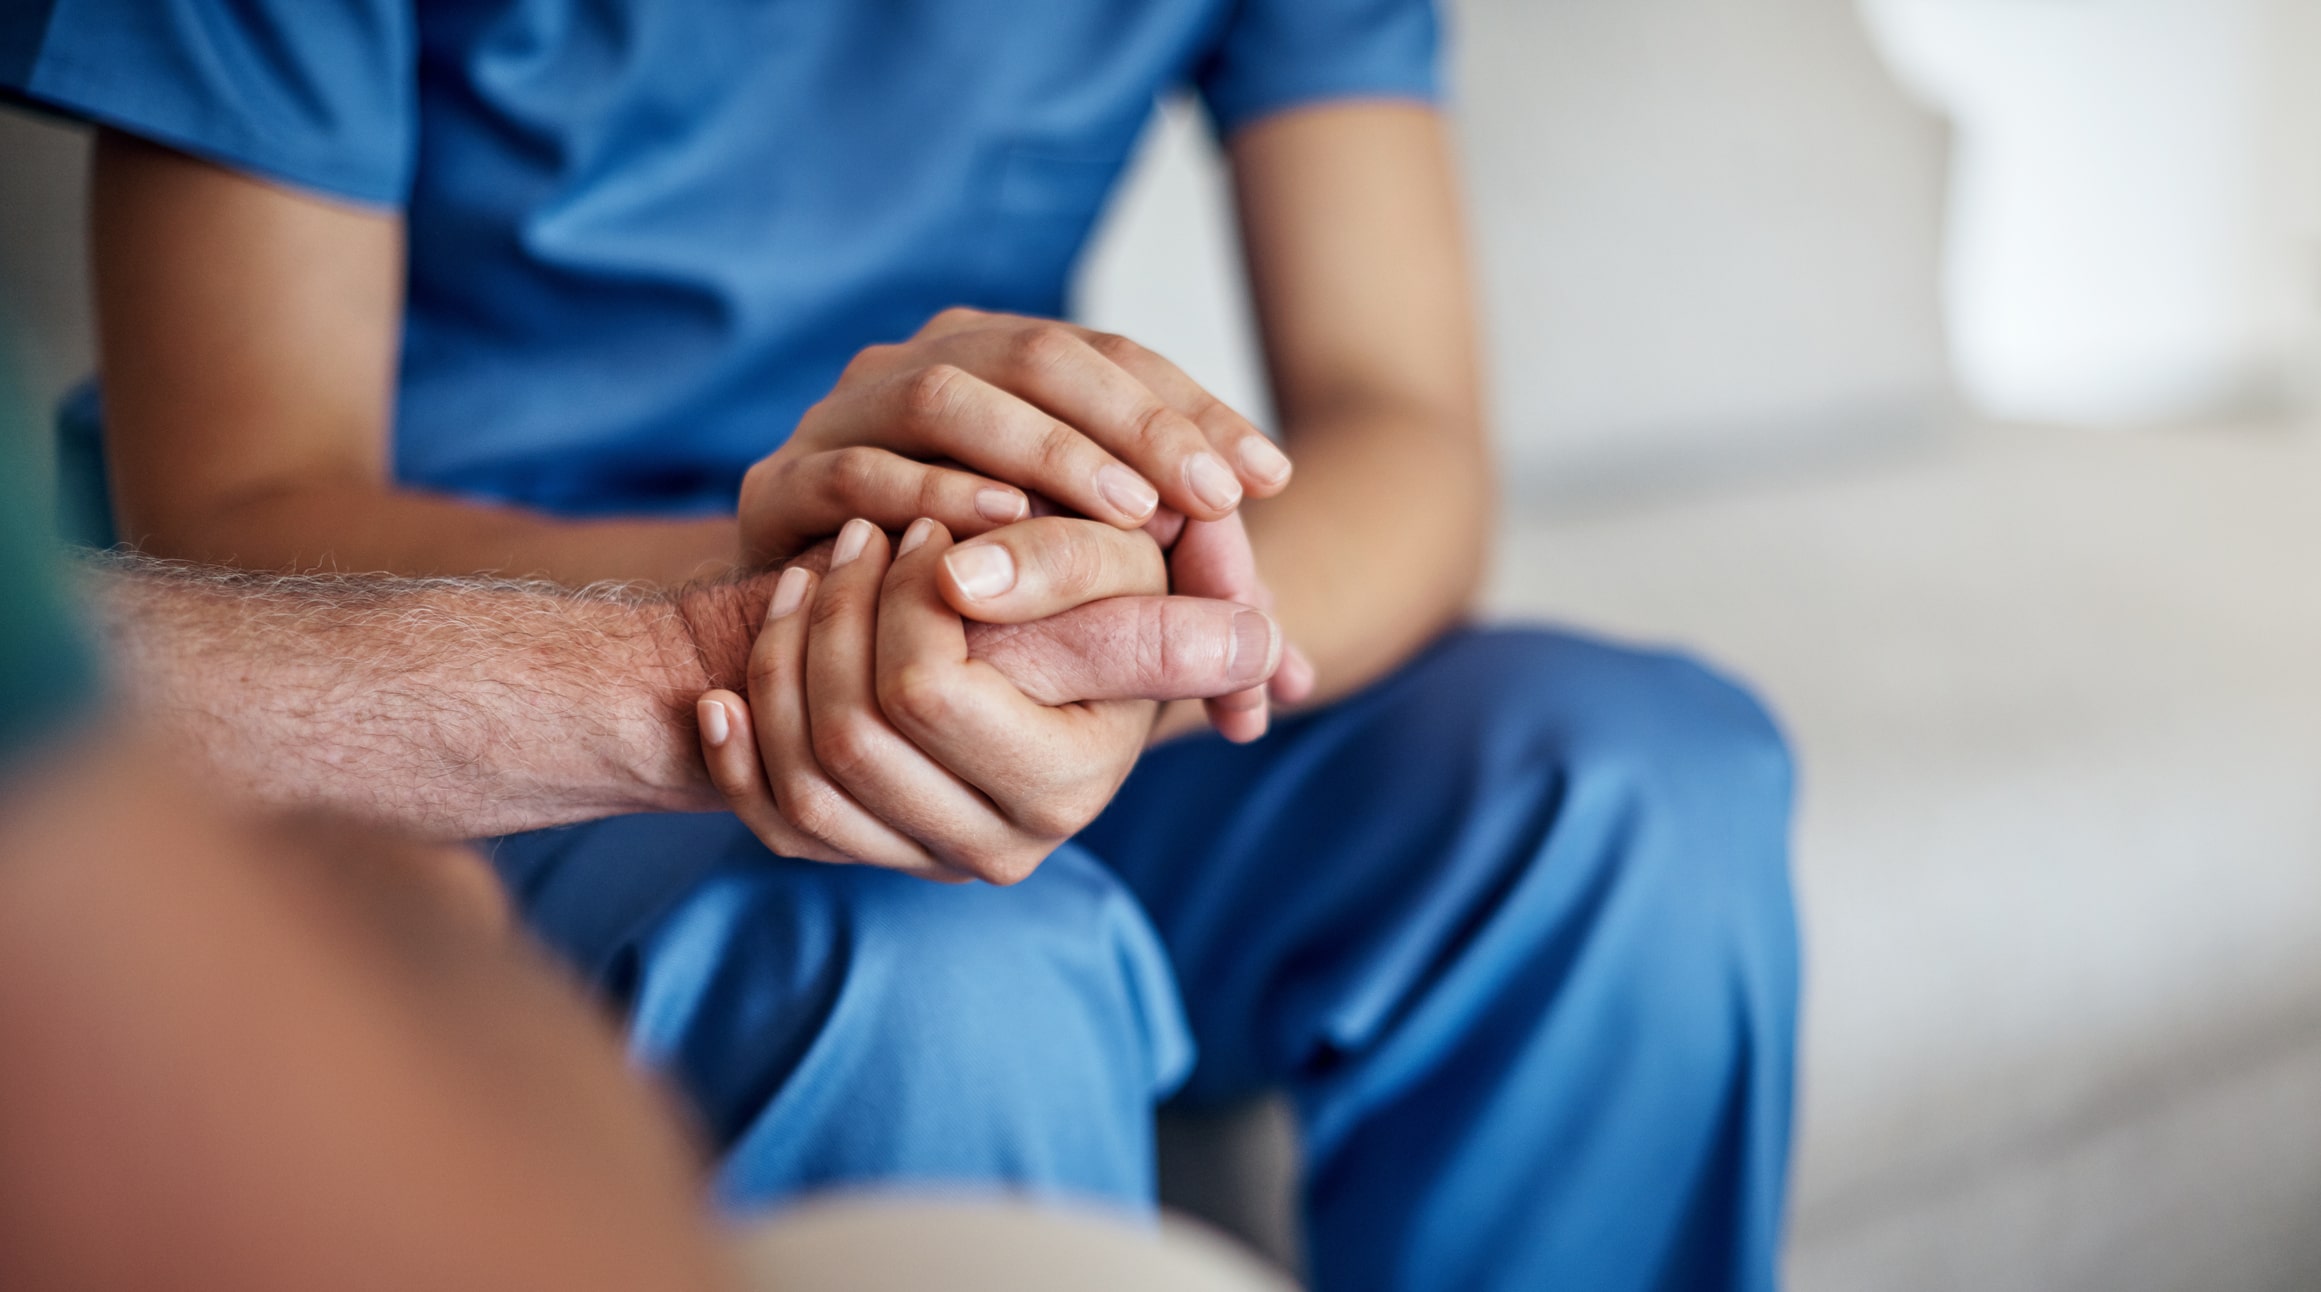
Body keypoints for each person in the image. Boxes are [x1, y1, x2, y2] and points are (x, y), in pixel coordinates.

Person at [2, 1, 1803, 1286]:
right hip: (497, 655)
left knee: (1631, 791)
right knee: (927, 960)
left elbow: (1401, 426)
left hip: (995, 607)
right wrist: (864, 631)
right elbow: (237, 509)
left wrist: (1115, 645)